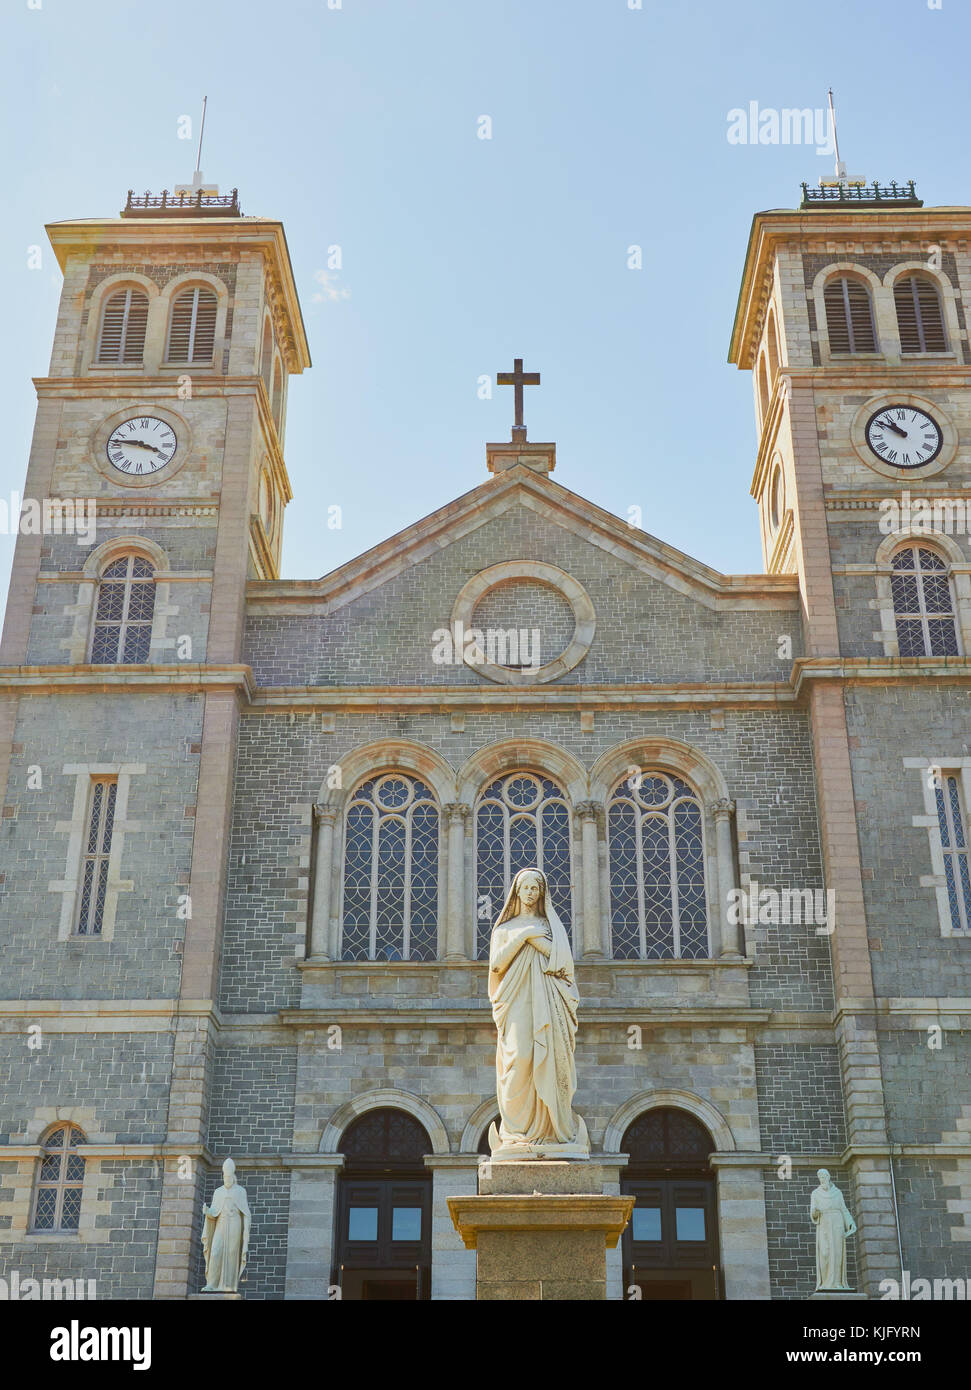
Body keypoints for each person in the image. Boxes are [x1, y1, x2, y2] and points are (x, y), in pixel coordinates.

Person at [487, 866, 586, 1155]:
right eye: (526, 888)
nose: (531, 893)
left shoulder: (552, 926)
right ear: (517, 891)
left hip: (547, 999)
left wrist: (533, 936)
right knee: (519, 1058)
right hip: (516, 1000)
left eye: (536, 889)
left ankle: (550, 1130)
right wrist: (525, 935)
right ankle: (517, 1133)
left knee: (550, 1060)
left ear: (542, 893)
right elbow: (497, 964)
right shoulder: (505, 929)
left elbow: (562, 964)